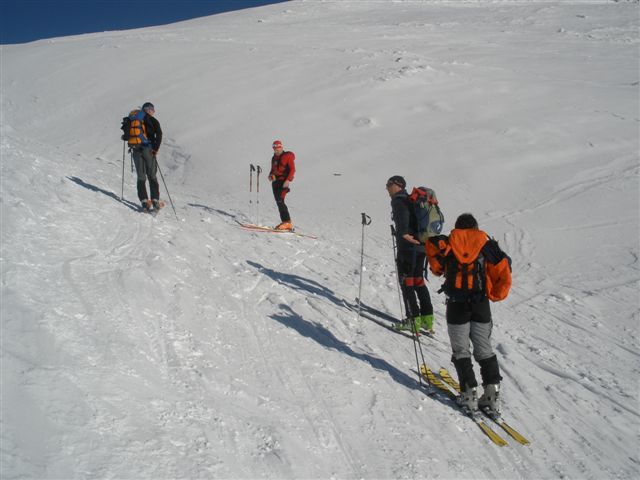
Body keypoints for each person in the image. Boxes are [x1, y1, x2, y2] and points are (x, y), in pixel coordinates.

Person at [426, 213, 512, 414]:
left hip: (457, 305)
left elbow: (437, 269)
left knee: (461, 351)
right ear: (475, 227)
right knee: (484, 350)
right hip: (481, 304)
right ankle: (491, 397)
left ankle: (468, 394)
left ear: (457, 227)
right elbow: (502, 272)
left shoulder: (448, 243)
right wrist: (495, 294)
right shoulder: (488, 246)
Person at [386, 175, 435, 334]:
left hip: (408, 247)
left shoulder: (399, 200)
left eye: (389, 184)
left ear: (398, 185)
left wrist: (403, 234)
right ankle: (427, 319)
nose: (387, 188)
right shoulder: (412, 200)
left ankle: (412, 320)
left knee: (406, 282)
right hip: (421, 246)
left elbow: (403, 220)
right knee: (418, 281)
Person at [127, 102, 163, 212]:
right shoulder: (152, 120)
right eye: (152, 110)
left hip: (135, 149)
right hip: (148, 150)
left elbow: (125, 134)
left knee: (141, 177)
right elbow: (159, 134)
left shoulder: (133, 119)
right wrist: (155, 149)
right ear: (148, 110)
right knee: (152, 176)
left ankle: (144, 202)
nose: (153, 112)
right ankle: (155, 201)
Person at [268, 140, 296, 230]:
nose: (277, 150)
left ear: (282, 147)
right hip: (275, 182)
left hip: (283, 181)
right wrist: (270, 175)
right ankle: (285, 222)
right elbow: (272, 169)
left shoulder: (287, 156)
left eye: (278, 148)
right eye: (275, 149)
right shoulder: (274, 158)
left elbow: (292, 169)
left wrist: (287, 180)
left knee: (280, 200)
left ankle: (287, 222)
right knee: (278, 201)